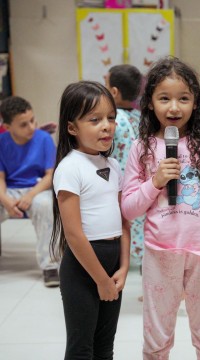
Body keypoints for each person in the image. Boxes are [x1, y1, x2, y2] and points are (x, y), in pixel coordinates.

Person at [121, 56, 200, 359]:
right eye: (164, 98)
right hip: (160, 253)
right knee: (156, 337)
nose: (174, 107)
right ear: (149, 103)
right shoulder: (142, 148)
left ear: (196, 102)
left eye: (183, 98)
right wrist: (155, 182)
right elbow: (129, 208)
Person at [50, 81, 130, 359]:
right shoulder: (70, 168)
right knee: (81, 348)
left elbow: (123, 222)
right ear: (73, 128)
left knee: (104, 346)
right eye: (95, 120)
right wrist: (102, 280)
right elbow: (74, 235)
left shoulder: (114, 165)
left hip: (112, 262)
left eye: (111, 117)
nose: (106, 126)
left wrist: (124, 266)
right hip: (83, 265)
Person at [0, 96, 59, 287]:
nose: (32, 127)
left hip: (37, 188)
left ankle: (50, 265)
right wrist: (6, 200)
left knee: (46, 206)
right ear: (8, 127)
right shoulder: (2, 142)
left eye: (32, 120)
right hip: (9, 189)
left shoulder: (43, 140)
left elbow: (50, 175)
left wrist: (30, 196)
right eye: (23, 124)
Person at [105, 64, 146, 266]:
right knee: (141, 228)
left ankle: (120, 265)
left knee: (122, 226)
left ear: (113, 91)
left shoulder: (112, 121)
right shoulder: (141, 118)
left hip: (118, 186)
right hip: (142, 185)